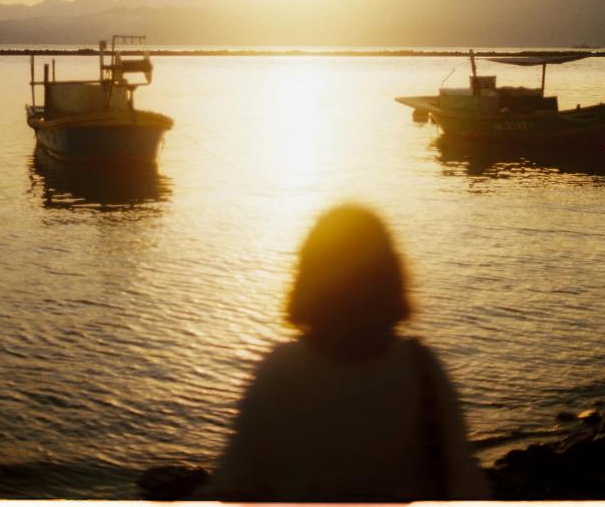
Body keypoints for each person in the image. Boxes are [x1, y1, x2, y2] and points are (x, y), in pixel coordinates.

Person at [201, 204, 488, 502]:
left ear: (309, 278)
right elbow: (466, 486)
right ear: (390, 277)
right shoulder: (421, 371)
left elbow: (234, 486)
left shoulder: (278, 373)